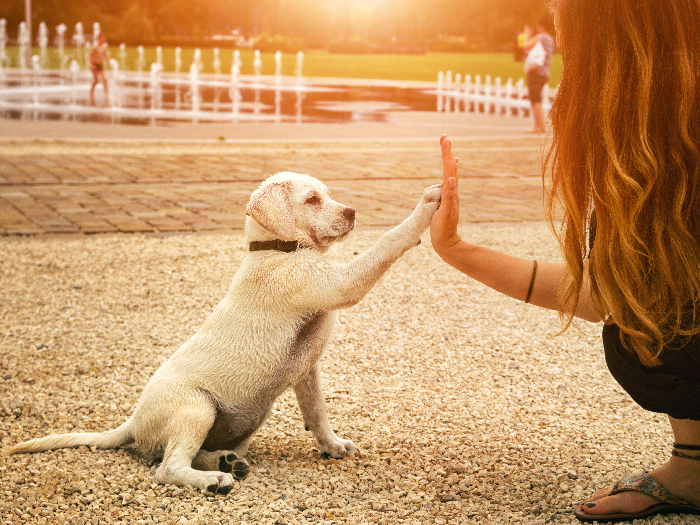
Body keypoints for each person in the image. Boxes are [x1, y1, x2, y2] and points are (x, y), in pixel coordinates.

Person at [430, 0, 700, 520]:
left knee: (641, 336)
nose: (554, 11)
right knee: (646, 314)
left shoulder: (654, 147)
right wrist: (456, 250)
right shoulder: (660, 144)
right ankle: (693, 465)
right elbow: (613, 296)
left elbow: (619, 305)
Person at [522, 15, 554, 133]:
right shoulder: (551, 39)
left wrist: (527, 34)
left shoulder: (540, 37)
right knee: (537, 98)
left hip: (536, 71)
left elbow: (525, 45)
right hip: (545, 72)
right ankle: (540, 126)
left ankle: (539, 127)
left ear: (542, 26)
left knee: (535, 99)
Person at [89, 33, 110, 106]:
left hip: (100, 65)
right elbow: (90, 55)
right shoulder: (95, 47)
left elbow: (104, 54)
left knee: (105, 78)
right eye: (102, 39)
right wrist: (92, 65)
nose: (103, 40)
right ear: (99, 39)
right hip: (94, 64)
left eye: (104, 39)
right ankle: (91, 91)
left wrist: (108, 58)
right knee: (96, 80)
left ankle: (106, 93)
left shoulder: (104, 47)